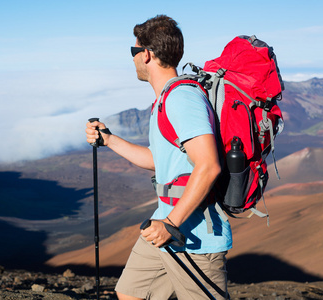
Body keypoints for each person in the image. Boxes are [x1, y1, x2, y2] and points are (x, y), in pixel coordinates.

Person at [85, 15, 232, 300]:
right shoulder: (165, 99)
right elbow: (159, 160)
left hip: (195, 236)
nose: (133, 59)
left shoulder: (181, 99)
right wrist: (110, 140)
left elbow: (209, 165)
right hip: (163, 225)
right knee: (130, 292)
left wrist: (172, 224)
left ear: (147, 54)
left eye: (134, 51)